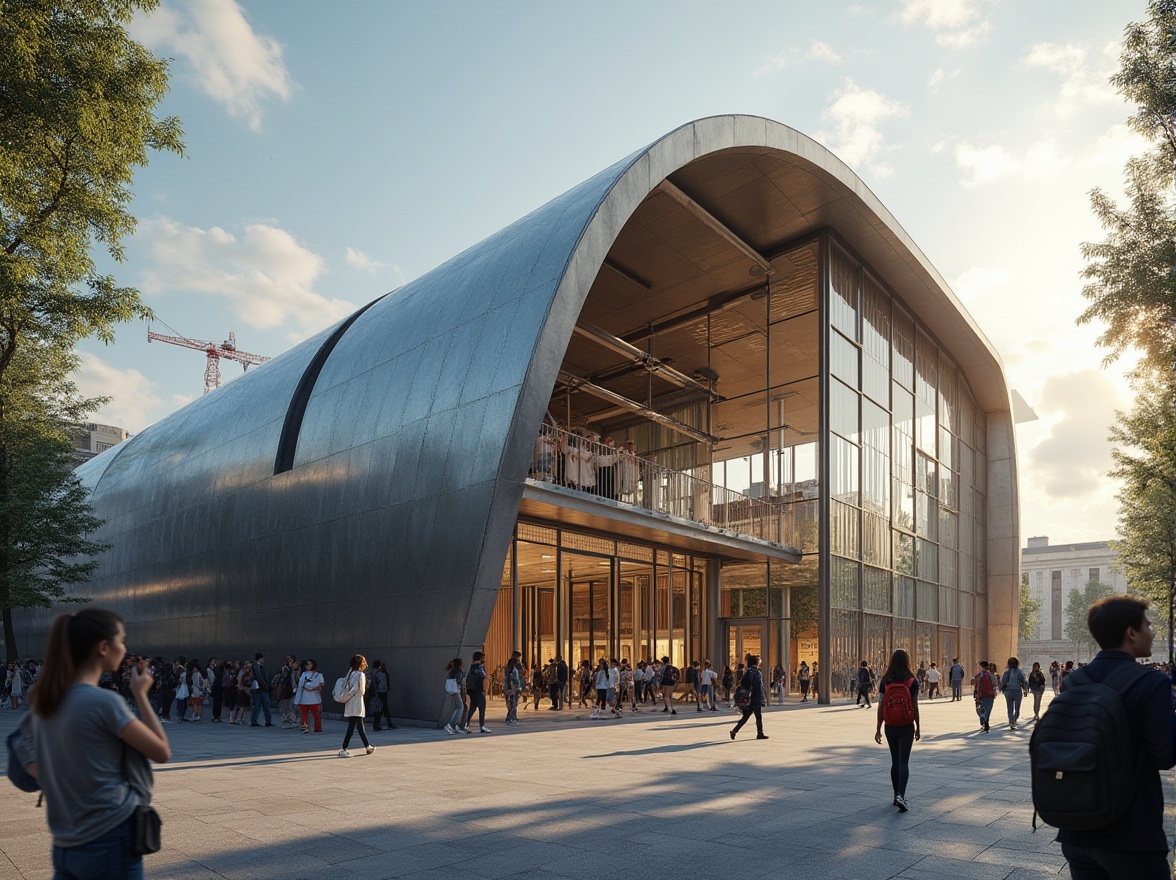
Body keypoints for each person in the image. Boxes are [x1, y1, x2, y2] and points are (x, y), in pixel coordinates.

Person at [27, 608, 171, 879]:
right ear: (104, 647)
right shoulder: (104, 702)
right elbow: (161, 751)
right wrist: (140, 695)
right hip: (110, 835)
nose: (125, 648)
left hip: (64, 841)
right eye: (122, 640)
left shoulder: (44, 701)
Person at [1055, 596, 1176, 879]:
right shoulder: (1150, 682)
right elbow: (1164, 756)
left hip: (1077, 827)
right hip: (1131, 832)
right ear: (1131, 632)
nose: (1152, 631)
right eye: (1147, 625)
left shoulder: (1076, 680)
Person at [874, 648, 920, 813]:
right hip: (907, 725)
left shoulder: (885, 680)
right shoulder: (911, 680)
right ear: (907, 661)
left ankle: (895, 796)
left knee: (894, 761)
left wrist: (878, 728)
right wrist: (918, 727)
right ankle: (901, 794)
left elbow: (880, 704)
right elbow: (914, 705)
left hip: (890, 726)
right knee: (903, 762)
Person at [337, 654, 375, 757]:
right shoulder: (360, 675)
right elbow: (362, 690)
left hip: (349, 702)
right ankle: (344, 748)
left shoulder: (350, 673)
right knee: (354, 726)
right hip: (357, 702)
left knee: (357, 725)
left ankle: (367, 746)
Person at [729, 654, 768, 740]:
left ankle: (734, 730)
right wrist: (761, 697)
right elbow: (758, 686)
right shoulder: (756, 672)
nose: (760, 661)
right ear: (756, 662)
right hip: (755, 697)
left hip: (750, 698)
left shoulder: (749, 671)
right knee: (758, 716)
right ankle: (760, 733)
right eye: (759, 660)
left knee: (746, 716)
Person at [294, 658, 324, 733]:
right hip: (303, 697)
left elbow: (321, 684)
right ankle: (305, 727)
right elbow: (300, 683)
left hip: (314, 697)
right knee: (304, 714)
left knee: (316, 714)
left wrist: (314, 688)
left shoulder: (318, 674)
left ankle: (318, 728)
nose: (308, 666)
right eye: (307, 664)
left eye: (310, 664)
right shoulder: (303, 674)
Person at [1000, 657, 1027, 730]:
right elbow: (1023, 681)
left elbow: (1003, 682)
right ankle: (1015, 719)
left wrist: (1003, 689)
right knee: (1017, 708)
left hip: (1008, 692)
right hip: (1017, 691)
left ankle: (1011, 721)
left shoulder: (1006, 672)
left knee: (1010, 708)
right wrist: (1025, 689)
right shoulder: (1019, 671)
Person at [465, 651, 490, 733]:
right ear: (481, 658)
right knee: (482, 708)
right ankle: (482, 726)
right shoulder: (480, 667)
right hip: (479, 690)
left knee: (472, 707)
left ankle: (466, 724)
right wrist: (485, 691)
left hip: (471, 691)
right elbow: (484, 678)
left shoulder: (471, 667)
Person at [972, 661, 998, 732]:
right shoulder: (991, 675)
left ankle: (983, 720)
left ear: (981, 667)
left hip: (980, 695)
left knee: (981, 709)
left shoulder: (979, 675)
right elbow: (995, 683)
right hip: (990, 694)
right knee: (988, 709)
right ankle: (986, 721)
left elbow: (973, 682)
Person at [442, 658, 466, 734]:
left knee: (461, 707)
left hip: (451, 691)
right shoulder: (458, 670)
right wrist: (459, 689)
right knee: (460, 707)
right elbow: (458, 681)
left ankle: (457, 725)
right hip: (455, 691)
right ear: (460, 664)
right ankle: (451, 724)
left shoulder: (452, 670)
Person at [249, 652, 273, 727]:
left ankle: (267, 721)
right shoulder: (256, 667)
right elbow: (259, 677)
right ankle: (255, 721)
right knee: (260, 705)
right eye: (262, 658)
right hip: (260, 689)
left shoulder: (258, 666)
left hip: (260, 688)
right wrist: (265, 685)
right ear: (260, 659)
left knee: (262, 705)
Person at [370, 660, 394, 730]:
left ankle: (376, 725)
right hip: (381, 692)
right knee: (383, 707)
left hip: (372, 693)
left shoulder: (370, 672)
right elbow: (383, 685)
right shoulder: (381, 674)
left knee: (376, 708)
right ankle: (388, 724)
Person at [504, 652, 523, 725]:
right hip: (513, 689)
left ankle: (509, 717)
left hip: (509, 688)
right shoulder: (513, 669)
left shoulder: (508, 668)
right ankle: (512, 718)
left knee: (510, 703)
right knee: (513, 703)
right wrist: (518, 687)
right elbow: (515, 679)